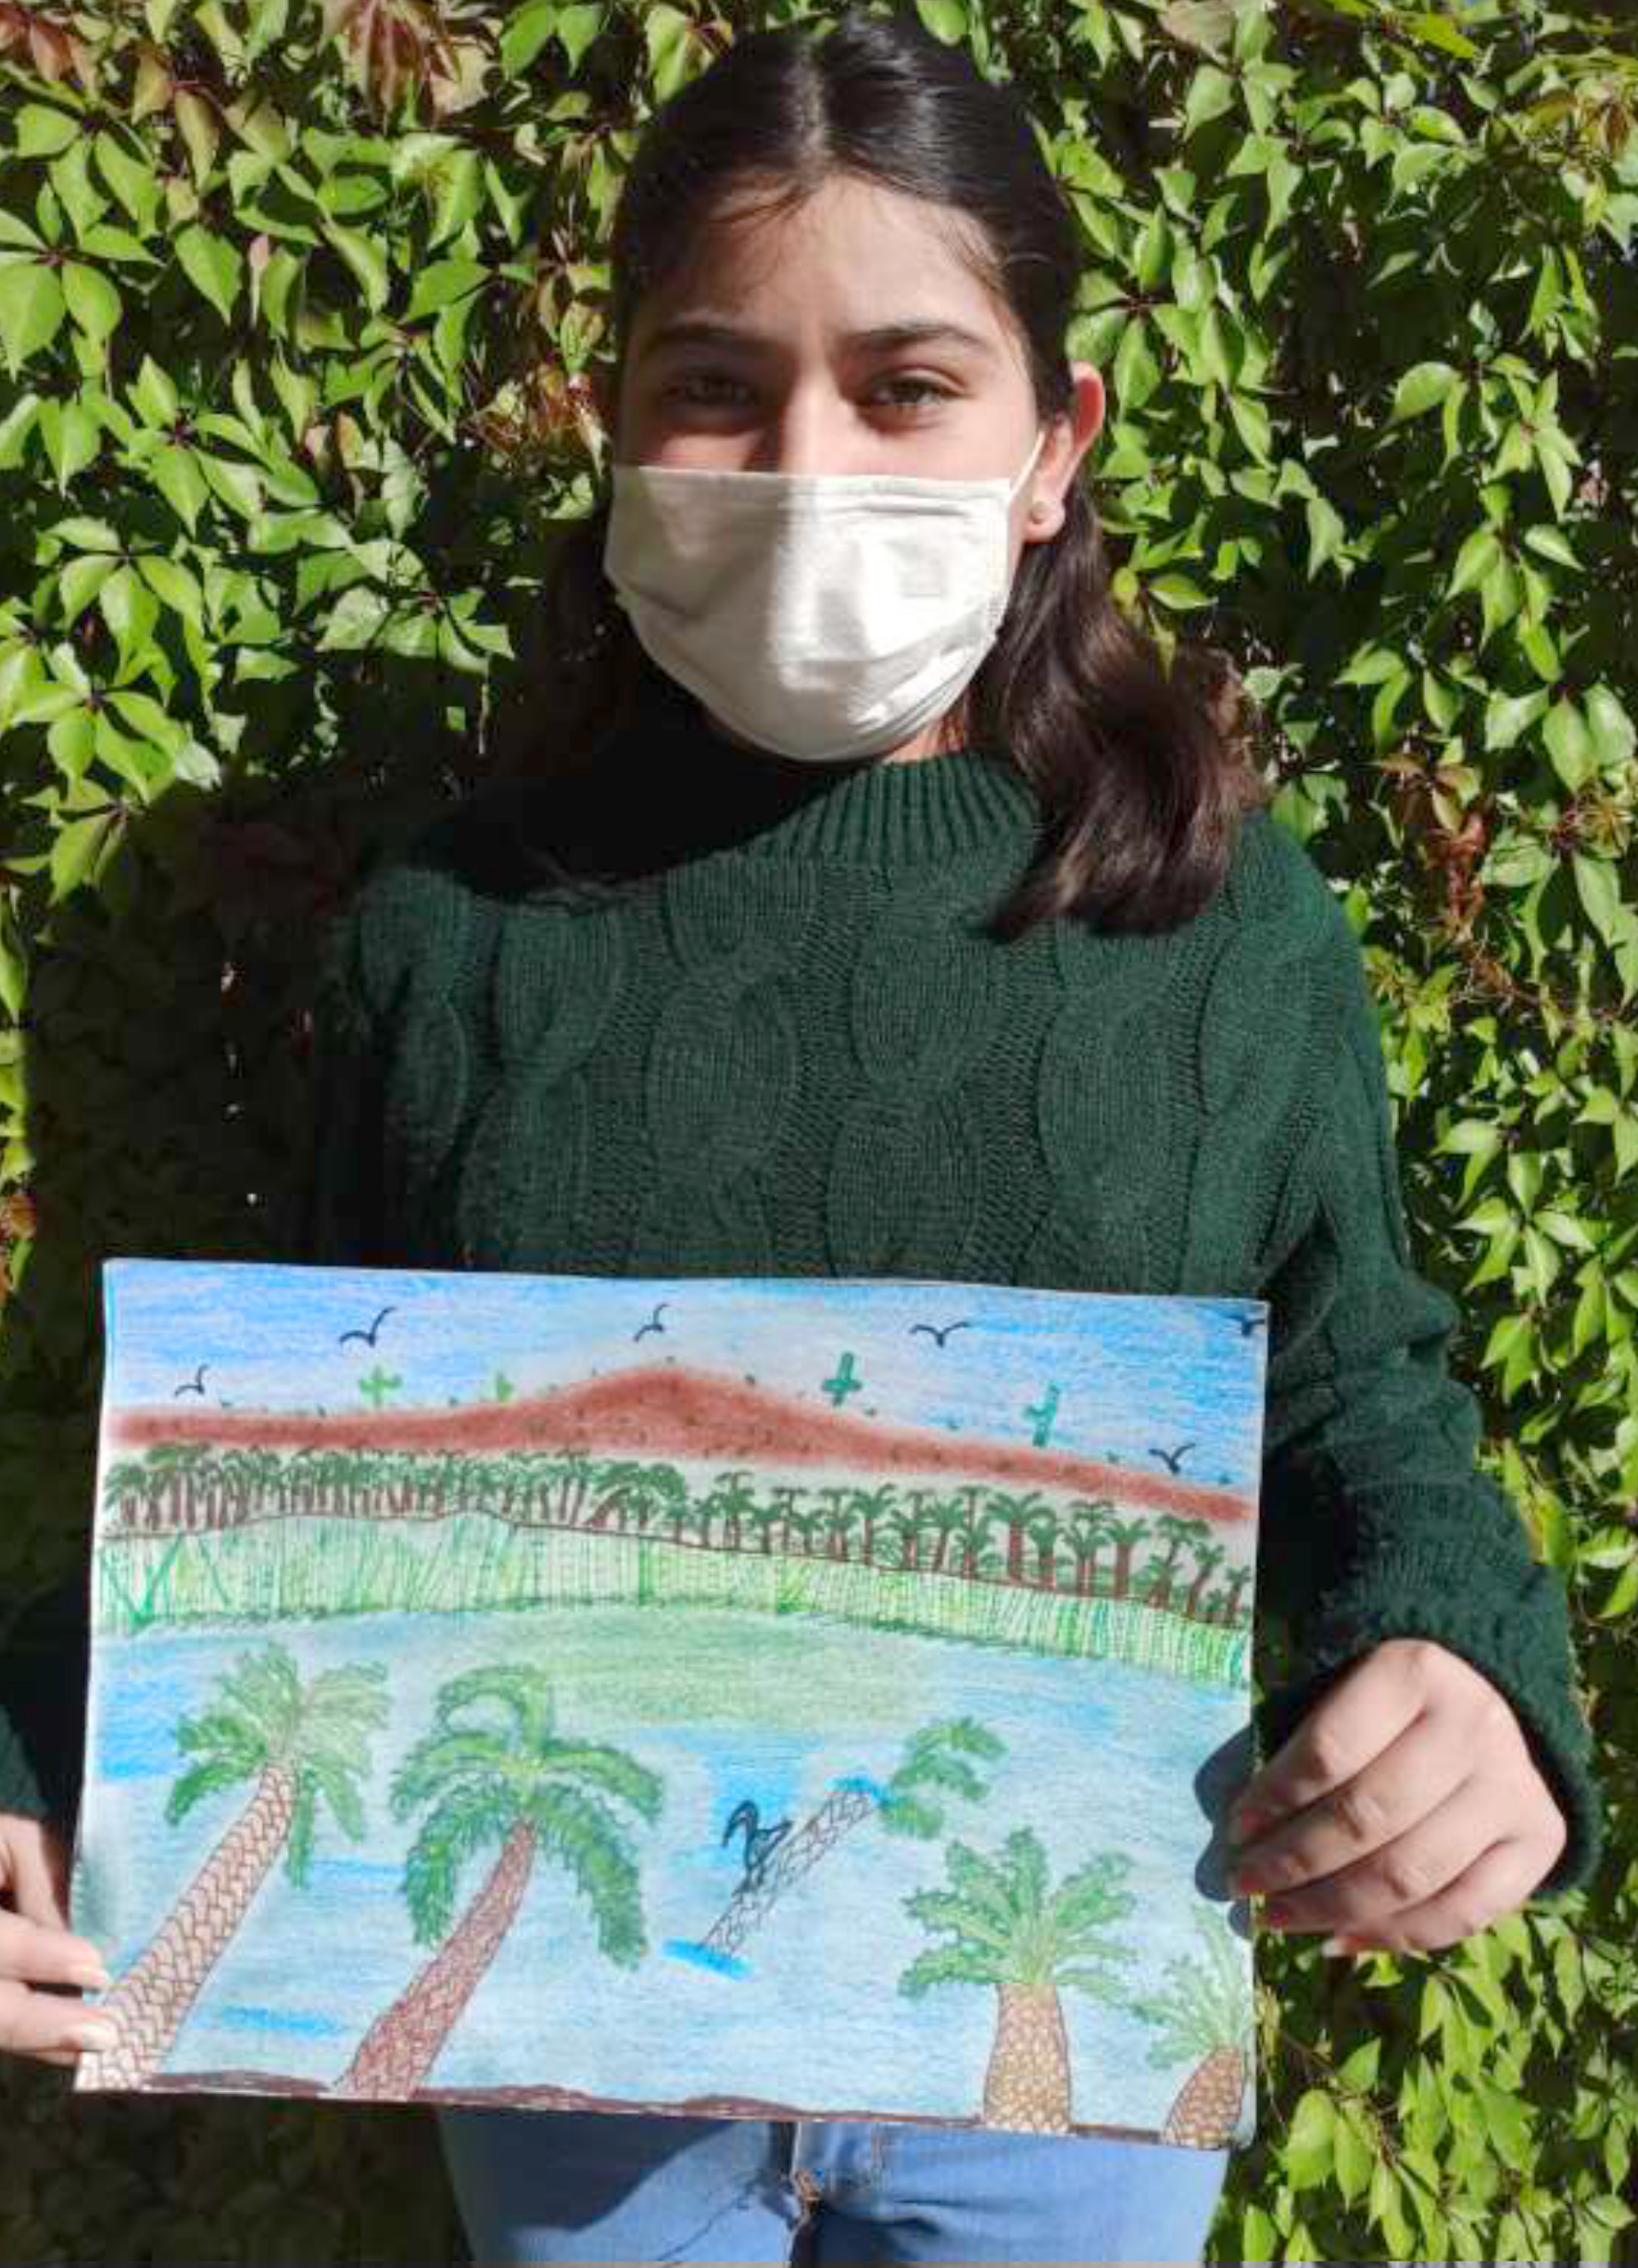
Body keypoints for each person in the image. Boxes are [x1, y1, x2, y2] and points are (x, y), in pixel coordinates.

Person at [0, 11, 1603, 2265]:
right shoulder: (456, 943)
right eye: (717, 384)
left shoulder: (1218, 931)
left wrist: (1473, 1679)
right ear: (618, 429)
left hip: (1060, 2067)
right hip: (570, 2086)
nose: (810, 460)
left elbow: (1362, 1402)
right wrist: (29, 1761)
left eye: (908, 383)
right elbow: (293, 1492)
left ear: (1055, 443)